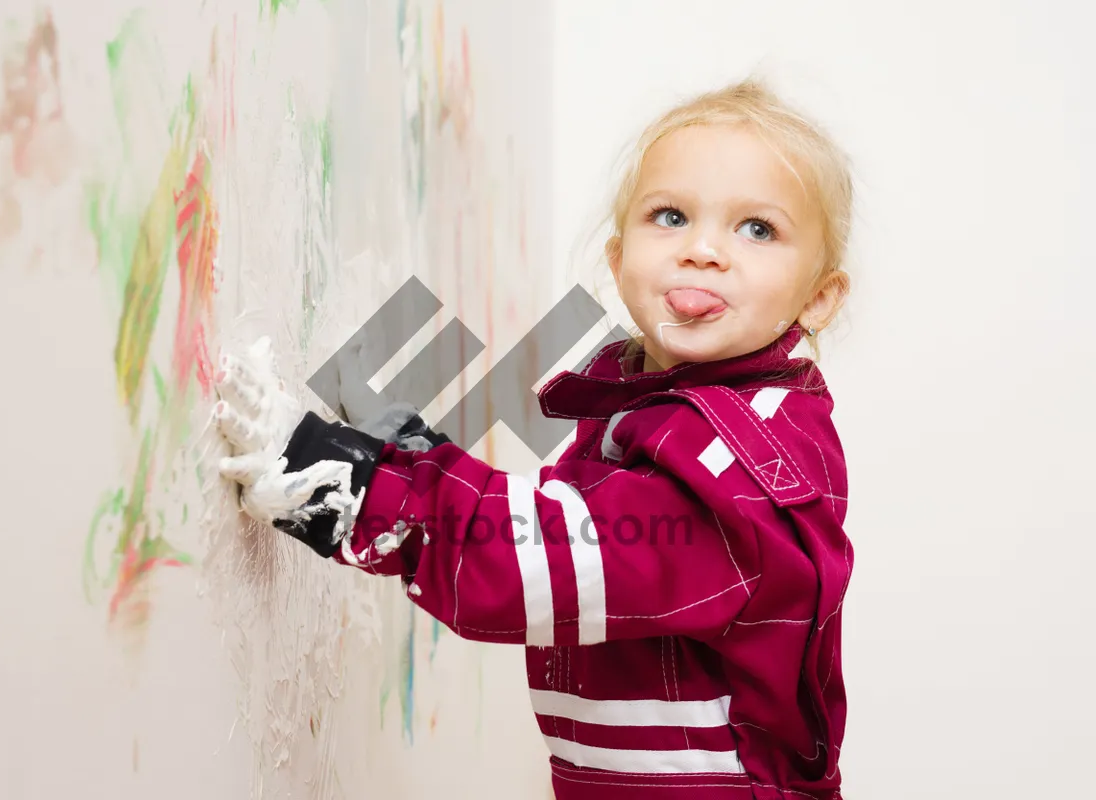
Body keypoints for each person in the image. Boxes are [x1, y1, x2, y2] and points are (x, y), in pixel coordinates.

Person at [214, 77, 855, 800]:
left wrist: (338, 481)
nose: (703, 250)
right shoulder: (655, 413)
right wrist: (412, 453)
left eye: (757, 228)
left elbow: (535, 563)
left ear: (819, 297)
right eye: (670, 216)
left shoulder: (739, 468)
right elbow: (573, 526)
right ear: (618, 261)